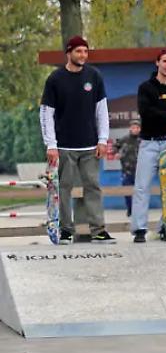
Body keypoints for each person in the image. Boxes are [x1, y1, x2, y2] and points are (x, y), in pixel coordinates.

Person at [38, 35, 115, 244]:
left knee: (93, 187)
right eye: (78, 51)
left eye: (85, 51)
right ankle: (65, 230)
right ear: (69, 53)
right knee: (64, 189)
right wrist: (51, 144)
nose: (83, 55)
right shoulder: (55, 79)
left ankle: (98, 230)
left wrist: (103, 140)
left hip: (90, 145)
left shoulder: (94, 76)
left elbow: (102, 111)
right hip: (63, 147)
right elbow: (46, 113)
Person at [133, 49, 166, 242]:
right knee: (141, 187)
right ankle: (139, 229)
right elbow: (146, 112)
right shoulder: (145, 88)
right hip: (148, 143)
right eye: (165, 61)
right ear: (157, 63)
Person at [110, 118, 141, 216]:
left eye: (137, 127)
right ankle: (130, 209)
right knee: (127, 192)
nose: (135, 129)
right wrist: (116, 153)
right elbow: (114, 147)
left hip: (140, 171)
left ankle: (139, 211)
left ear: (140, 129)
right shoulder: (124, 139)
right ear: (130, 128)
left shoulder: (143, 140)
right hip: (126, 171)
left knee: (139, 193)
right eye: (133, 127)